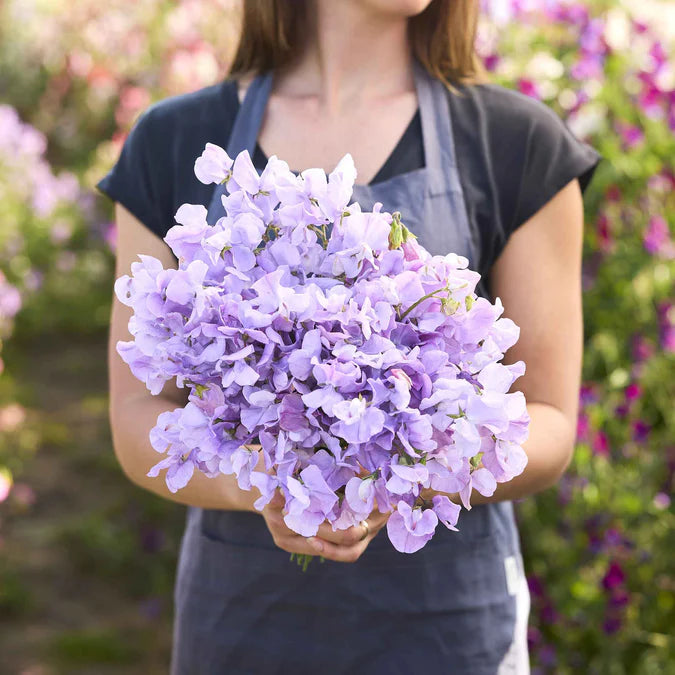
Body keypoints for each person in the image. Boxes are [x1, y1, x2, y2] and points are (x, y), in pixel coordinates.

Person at [96, 1, 603, 673]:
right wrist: (274, 488)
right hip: (246, 624)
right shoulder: (175, 139)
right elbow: (138, 416)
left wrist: (388, 477)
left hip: (446, 632)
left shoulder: (515, 142)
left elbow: (548, 421)